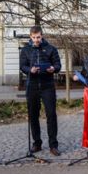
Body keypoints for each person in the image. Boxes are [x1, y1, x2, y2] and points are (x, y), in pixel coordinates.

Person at [19, 25, 62, 156]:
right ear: (30, 37)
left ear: (42, 36)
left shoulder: (51, 49)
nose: (36, 40)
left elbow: (58, 65)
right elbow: (22, 66)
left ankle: (53, 145)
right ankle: (37, 143)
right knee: (33, 115)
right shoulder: (26, 50)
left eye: (38, 37)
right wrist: (29, 70)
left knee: (51, 115)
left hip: (47, 85)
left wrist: (53, 69)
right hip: (32, 85)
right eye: (34, 37)